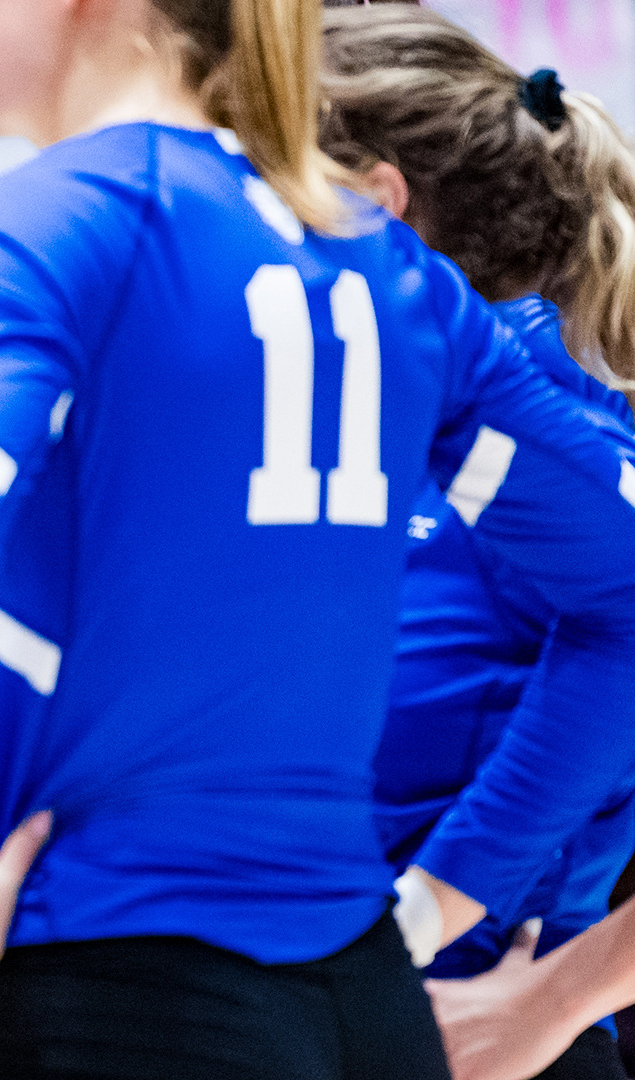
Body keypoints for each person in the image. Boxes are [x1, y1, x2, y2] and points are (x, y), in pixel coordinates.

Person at [0, 0, 635, 1075]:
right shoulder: (393, 271)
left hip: (121, 993)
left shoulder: (34, 226)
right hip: (364, 1006)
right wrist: (438, 902)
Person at [317, 9, 635, 1079]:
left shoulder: (542, 415)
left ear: (371, 200)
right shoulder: (344, 405)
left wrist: (441, 922)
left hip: (464, 1037)